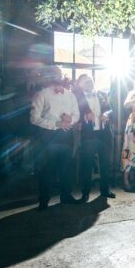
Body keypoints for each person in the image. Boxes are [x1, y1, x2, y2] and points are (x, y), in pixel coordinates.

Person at [30, 66, 80, 210]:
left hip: (67, 135)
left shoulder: (70, 95)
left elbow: (76, 114)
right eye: (53, 74)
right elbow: (34, 118)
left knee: (66, 168)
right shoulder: (42, 94)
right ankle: (44, 200)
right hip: (48, 136)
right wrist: (56, 123)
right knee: (47, 169)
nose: (57, 76)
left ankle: (66, 196)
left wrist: (71, 119)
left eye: (58, 74)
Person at [74, 74, 115, 202]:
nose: (89, 83)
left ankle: (105, 190)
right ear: (80, 85)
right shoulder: (77, 97)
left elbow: (110, 110)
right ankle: (85, 193)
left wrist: (107, 114)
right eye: (85, 82)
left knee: (105, 164)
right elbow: (75, 113)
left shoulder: (102, 94)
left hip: (104, 134)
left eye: (90, 80)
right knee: (87, 164)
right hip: (88, 135)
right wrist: (84, 116)